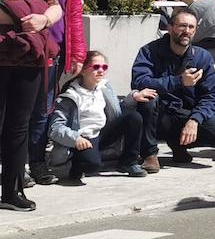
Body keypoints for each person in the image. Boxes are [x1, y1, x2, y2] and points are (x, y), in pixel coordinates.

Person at [0, 0, 63, 211]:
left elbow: (55, 6)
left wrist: (43, 19)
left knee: (19, 125)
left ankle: (12, 191)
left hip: (28, 57)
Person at [26, 0, 87, 187]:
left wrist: (78, 53)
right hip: (25, 49)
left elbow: (74, 15)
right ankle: (15, 165)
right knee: (16, 111)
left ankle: (37, 162)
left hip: (55, 49)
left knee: (43, 110)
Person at [130, 9, 215, 165]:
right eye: (182, 26)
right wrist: (179, 81)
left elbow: (211, 96)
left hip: (187, 114)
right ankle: (149, 154)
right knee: (148, 97)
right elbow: (139, 82)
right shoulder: (149, 51)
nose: (187, 31)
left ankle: (179, 144)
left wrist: (194, 120)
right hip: (160, 115)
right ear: (170, 28)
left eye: (191, 27)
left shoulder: (202, 57)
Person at [47, 52, 153, 181]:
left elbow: (117, 110)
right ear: (84, 70)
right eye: (96, 67)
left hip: (102, 132)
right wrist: (75, 139)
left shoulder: (104, 87)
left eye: (104, 67)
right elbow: (55, 127)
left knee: (133, 117)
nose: (101, 71)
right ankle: (75, 164)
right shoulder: (70, 96)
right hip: (83, 138)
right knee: (91, 166)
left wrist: (133, 97)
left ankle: (128, 162)